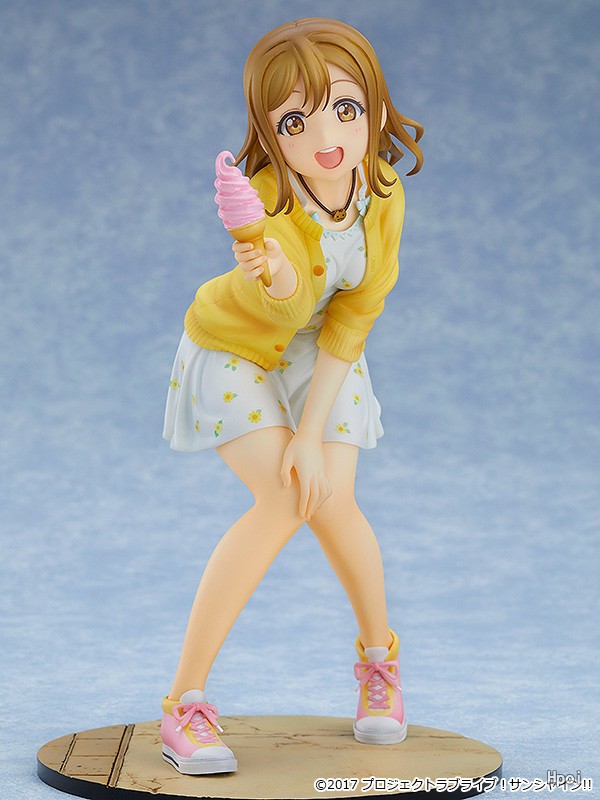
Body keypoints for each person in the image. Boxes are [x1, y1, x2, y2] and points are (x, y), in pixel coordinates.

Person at [160, 17, 423, 775]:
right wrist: (272, 273)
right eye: (295, 122)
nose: (326, 138)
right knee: (283, 499)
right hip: (235, 345)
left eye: (345, 107)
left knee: (331, 497)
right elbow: (279, 307)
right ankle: (183, 706)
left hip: (320, 352)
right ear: (270, 133)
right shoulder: (271, 203)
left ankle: (380, 666)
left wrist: (310, 434)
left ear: (375, 105)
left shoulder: (382, 193)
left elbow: (356, 312)